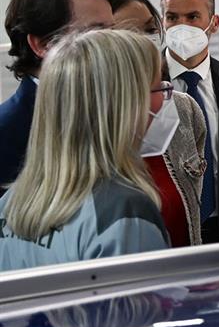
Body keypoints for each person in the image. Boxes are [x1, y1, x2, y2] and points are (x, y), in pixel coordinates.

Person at [0, 28, 169, 270]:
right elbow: (140, 307)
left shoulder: (10, 203)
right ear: (123, 106)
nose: (164, 101)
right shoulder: (124, 211)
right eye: (157, 90)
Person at [111, 0, 209, 246]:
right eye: (129, 33)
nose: (144, 40)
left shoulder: (184, 110)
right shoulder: (89, 125)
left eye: (150, 29)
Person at [0, 0, 114, 186]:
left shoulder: (115, 110)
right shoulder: (7, 133)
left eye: (114, 32)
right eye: (97, 34)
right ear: (42, 44)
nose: (115, 45)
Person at [161, 0, 219, 241]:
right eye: (172, 17)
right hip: (169, 226)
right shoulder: (142, 82)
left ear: (214, 23)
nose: (181, 26)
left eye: (192, 17)